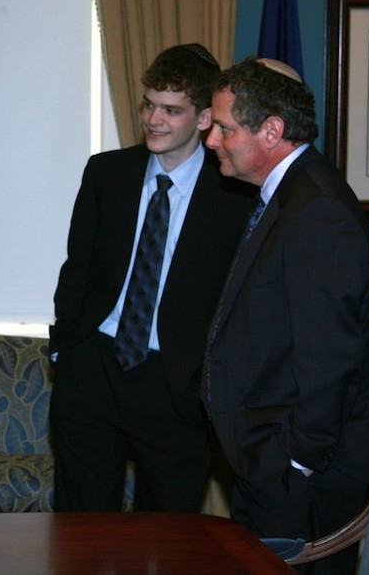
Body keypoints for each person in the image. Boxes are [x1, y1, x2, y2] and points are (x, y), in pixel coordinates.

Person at [49, 43, 254, 512]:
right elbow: (76, 267)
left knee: (167, 540)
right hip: (93, 371)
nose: (154, 119)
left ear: (205, 118)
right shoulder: (107, 173)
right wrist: (66, 349)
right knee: (81, 532)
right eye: (149, 105)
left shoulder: (234, 196)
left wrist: (202, 382)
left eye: (171, 110)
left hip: (175, 384)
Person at [203, 57, 369, 573]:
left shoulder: (317, 209)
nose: (212, 139)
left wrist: (292, 466)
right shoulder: (288, 194)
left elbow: (330, 360)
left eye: (225, 127)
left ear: (271, 131)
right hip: (268, 467)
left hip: (299, 481)